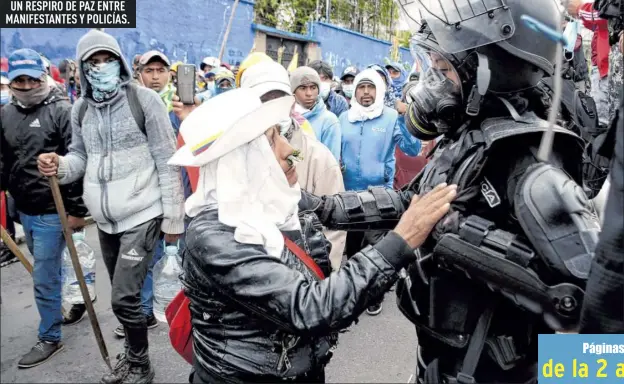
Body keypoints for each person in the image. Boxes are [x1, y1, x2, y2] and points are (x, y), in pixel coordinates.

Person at [168, 87, 458, 383]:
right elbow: (310, 307)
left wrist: (412, 199)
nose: (288, 149)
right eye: (271, 141)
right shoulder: (213, 235)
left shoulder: (268, 200)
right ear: (239, 160)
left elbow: (332, 208)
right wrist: (401, 240)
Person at [377, 1, 600, 381]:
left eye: (444, 69)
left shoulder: (532, 171)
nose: (434, 83)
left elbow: (601, 325)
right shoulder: (469, 143)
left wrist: (531, 376)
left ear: (490, 71)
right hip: (440, 365)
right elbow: (410, 203)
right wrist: (319, 206)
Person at [37, 29, 185, 384]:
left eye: (108, 60)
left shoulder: (144, 101)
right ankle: (133, 357)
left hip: (143, 212)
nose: (101, 68)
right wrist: (59, 165)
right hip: (105, 220)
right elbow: (80, 158)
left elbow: (167, 161)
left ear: (120, 63)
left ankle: (140, 365)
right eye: (93, 62)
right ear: (83, 68)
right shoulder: (81, 109)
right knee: (124, 298)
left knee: (123, 297)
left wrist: (173, 220)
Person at [1, 48, 89, 368]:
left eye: (30, 78)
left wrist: (77, 209)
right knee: (48, 270)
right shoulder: (6, 114)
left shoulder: (62, 111)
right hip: (23, 208)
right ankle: (73, 301)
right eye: (18, 80)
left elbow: (78, 162)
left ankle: (50, 336)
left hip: (54, 210)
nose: (25, 86)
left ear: (42, 76)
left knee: (44, 277)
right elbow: (4, 161)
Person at [239, 60, 347, 270]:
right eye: (264, 101)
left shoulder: (320, 160)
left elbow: (333, 232)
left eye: (279, 100)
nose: (273, 109)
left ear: (290, 102)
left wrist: (315, 286)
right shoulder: (228, 157)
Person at [338, 68, 421, 315]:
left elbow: (413, 148)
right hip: (348, 195)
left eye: (371, 87)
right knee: (352, 248)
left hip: (378, 195)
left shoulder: (390, 117)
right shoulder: (345, 118)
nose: (365, 92)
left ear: (380, 90)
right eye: (361, 87)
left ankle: (374, 294)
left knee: (375, 250)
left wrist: (407, 118)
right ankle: (354, 292)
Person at [290, 66, 342, 161]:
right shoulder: (286, 119)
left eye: (313, 88)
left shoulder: (329, 121)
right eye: (303, 88)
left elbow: (330, 163)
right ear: (293, 91)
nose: (309, 93)